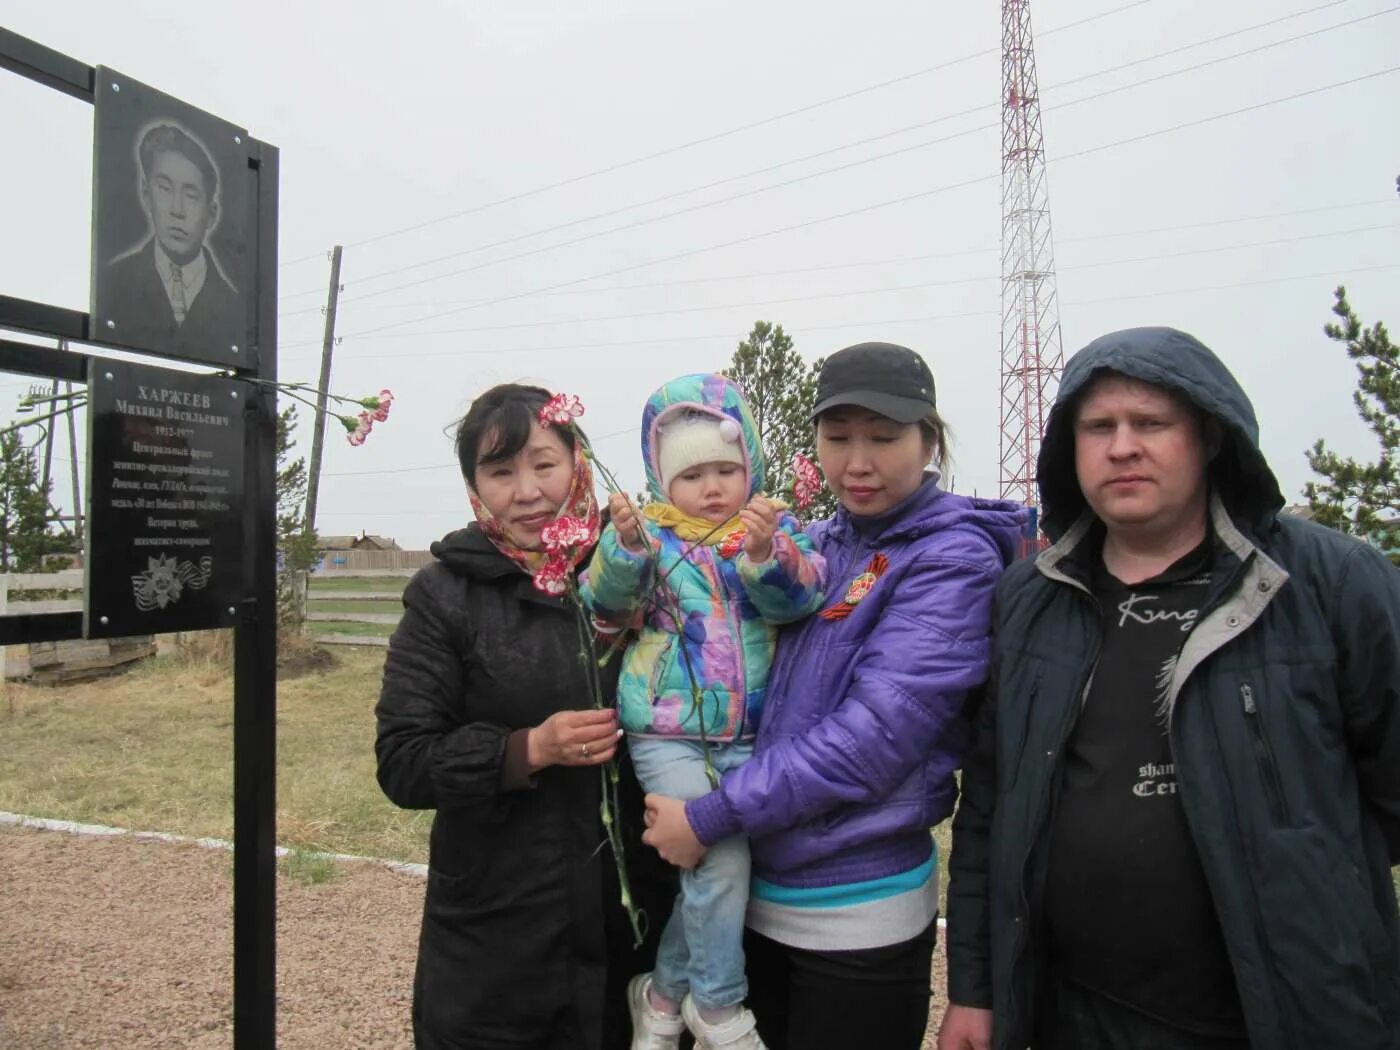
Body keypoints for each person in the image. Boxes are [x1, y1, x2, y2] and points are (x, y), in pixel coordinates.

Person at [938, 327, 1400, 1050]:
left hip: (1283, 1015)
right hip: (1075, 1015)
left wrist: (1311, 880)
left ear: (1209, 436)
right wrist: (973, 987)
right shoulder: (1030, 597)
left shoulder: (1329, 582)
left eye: (1150, 423)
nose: (1122, 447)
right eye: (1099, 427)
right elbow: (991, 808)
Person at [642, 343, 1028, 1050]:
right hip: (758, 902)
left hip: (856, 920)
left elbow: (873, 738)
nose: (857, 462)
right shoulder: (821, 544)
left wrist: (710, 814)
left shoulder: (951, 558)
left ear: (929, 441)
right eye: (837, 437)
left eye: (883, 438)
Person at [375, 383, 673, 1050]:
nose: (528, 492)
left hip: (642, 920)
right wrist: (528, 750)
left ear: (578, 462)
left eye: (544, 464)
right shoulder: (446, 594)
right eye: (501, 472)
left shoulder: (643, 563)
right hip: (500, 939)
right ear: (474, 485)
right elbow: (402, 760)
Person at [579, 373, 827, 1050]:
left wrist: (763, 555)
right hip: (666, 731)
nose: (712, 488)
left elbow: (800, 601)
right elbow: (602, 605)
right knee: (721, 859)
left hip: (751, 732)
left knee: (718, 868)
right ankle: (717, 1005)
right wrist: (624, 548)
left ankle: (661, 996)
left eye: (726, 470)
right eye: (691, 476)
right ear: (662, 481)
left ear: (752, 467)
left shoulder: (775, 531)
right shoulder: (654, 538)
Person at [102, 123, 242, 356]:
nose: (177, 210)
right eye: (165, 189)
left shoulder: (234, 308)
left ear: (211, 213)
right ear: (146, 193)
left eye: (191, 195)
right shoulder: (114, 282)